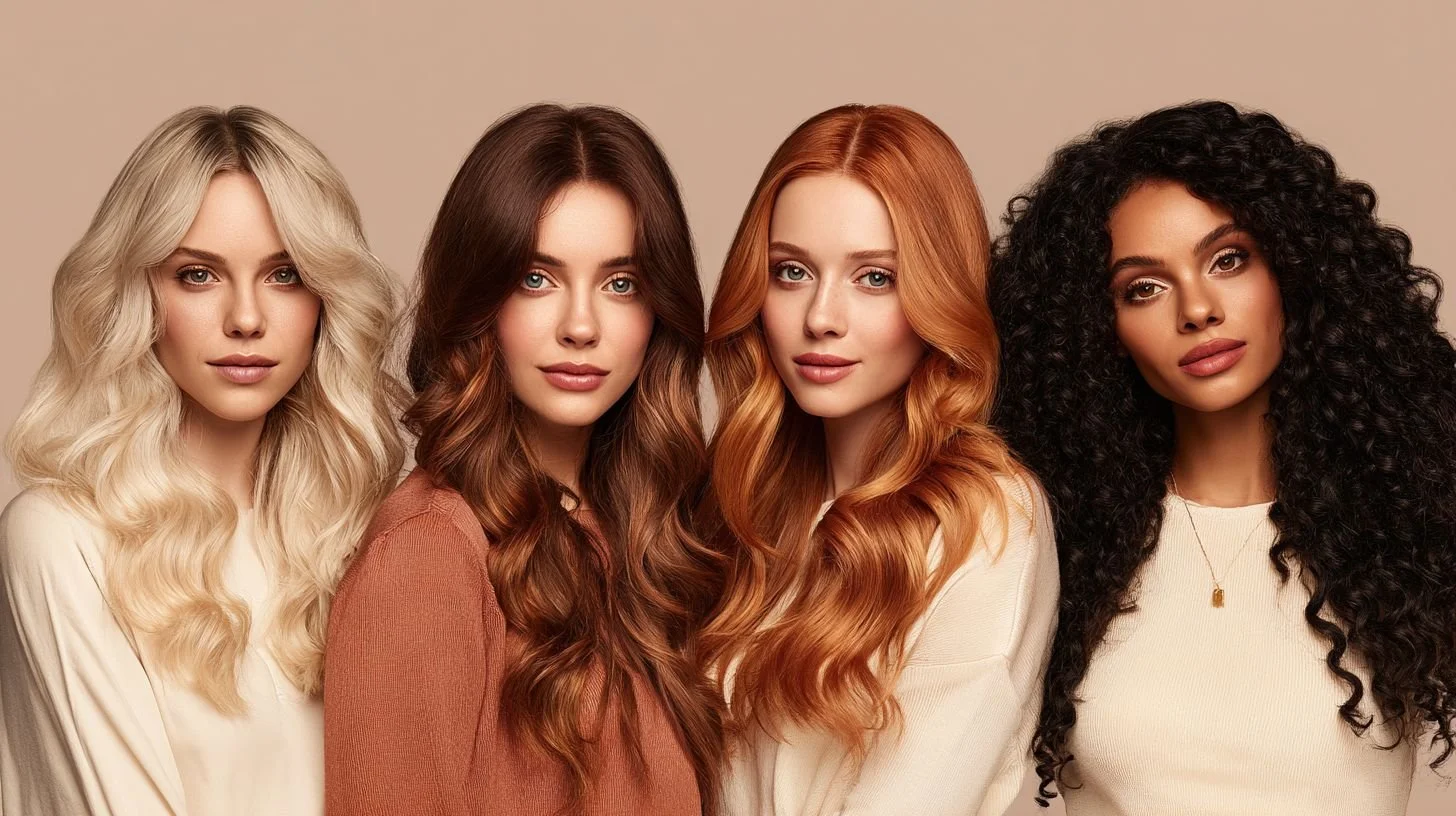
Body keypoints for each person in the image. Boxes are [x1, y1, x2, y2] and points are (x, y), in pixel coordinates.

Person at [990, 100, 1456, 815]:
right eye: (1143, 288)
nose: (1197, 309)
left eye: (1228, 259)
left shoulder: (1411, 522)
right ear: (1100, 328)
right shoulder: (1054, 536)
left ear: (1293, 271)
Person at [0, 105, 405, 816]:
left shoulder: (360, 536)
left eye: (284, 274)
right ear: (139, 295)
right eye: (198, 275)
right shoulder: (62, 539)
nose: (246, 317)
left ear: (325, 299)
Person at [323, 103, 723, 816]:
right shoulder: (430, 554)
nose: (580, 325)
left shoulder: (650, 544)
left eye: (620, 283)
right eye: (537, 278)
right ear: (479, 301)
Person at [701, 103, 1058, 816]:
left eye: (874, 278)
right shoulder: (746, 510)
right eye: (791, 271)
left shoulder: (983, 519)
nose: (822, 317)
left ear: (937, 292)